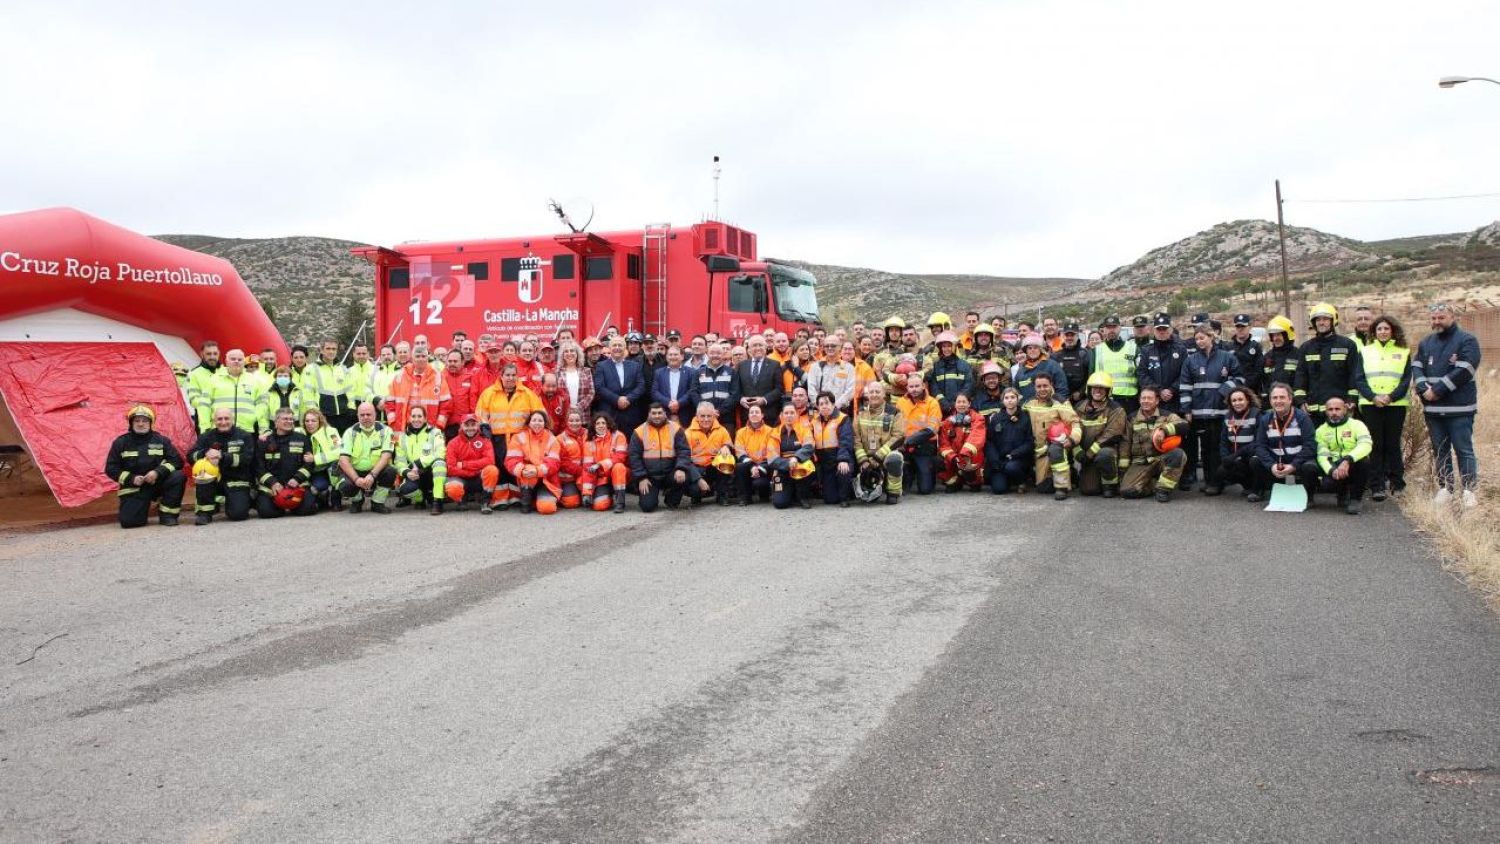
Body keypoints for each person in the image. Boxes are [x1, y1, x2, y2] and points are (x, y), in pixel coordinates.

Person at [1413, 302, 1482, 508]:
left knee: (1463, 449)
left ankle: (1469, 490)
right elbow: (1416, 366)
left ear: (1453, 317)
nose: (1436, 322)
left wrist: (1437, 390)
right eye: (1433, 318)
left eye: (1441, 317)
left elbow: (1465, 369)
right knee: (1440, 450)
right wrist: (1423, 388)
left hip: (1459, 409)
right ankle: (1446, 488)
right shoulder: (1426, 343)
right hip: (1433, 409)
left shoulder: (1467, 340)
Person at [1179, 324, 1242, 496]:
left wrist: (1224, 390)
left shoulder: (1226, 357)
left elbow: (1239, 378)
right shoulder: (1190, 360)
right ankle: (1209, 481)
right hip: (1200, 414)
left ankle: (1217, 482)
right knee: (1206, 449)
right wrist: (1187, 411)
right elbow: (1185, 387)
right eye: (1196, 338)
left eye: (1202, 338)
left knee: (1218, 448)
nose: (1199, 341)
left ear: (1211, 337)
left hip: (1220, 411)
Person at [1356, 315, 1412, 501]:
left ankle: (1397, 483)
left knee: (1393, 444)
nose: (1383, 332)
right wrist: (1373, 397)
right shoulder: (1365, 351)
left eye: (1386, 328)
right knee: (1376, 445)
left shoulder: (1403, 351)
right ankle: (1377, 486)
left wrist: (1390, 397)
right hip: (1371, 405)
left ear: (1393, 330)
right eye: (1379, 329)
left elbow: (1405, 380)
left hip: (1396, 404)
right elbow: (1359, 379)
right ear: (1374, 332)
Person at [474, 362, 543, 509]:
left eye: (513, 375)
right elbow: (480, 413)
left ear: (517, 377)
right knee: (500, 467)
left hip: (519, 438)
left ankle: (516, 497)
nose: (510, 378)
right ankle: (500, 499)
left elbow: (539, 412)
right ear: (501, 376)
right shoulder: (489, 393)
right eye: (507, 375)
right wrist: (484, 427)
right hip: (496, 437)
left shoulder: (527, 394)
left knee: (516, 467)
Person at [104, 403, 185, 528]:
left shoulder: (161, 440)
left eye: (144, 421)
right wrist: (132, 479)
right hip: (134, 487)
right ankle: (140, 509)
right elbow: (111, 468)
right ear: (131, 423)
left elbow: (177, 461)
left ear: (151, 423)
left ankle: (167, 515)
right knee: (130, 523)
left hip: (157, 483)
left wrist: (158, 472)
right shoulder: (121, 443)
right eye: (137, 421)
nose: (141, 424)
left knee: (178, 476)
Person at [1136, 313, 1191, 487]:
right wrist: (1159, 392)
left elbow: (1186, 373)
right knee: (1156, 436)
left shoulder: (1180, 349)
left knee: (1179, 436)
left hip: (1174, 400)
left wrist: (1172, 390)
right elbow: (1142, 374)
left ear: (1170, 329)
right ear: (1154, 330)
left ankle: (1184, 475)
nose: (1161, 332)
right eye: (1158, 329)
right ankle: (1158, 471)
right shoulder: (1147, 350)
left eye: (1164, 329)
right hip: (1155, 401)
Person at [1294, 302, 1362, 427]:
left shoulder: (1347, 345)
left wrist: (1352, 399)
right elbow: (1300, 376)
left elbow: (1354, 374)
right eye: (1318, 319)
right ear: (1313, 323)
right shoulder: (1306, 348)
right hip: (1313, 413)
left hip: (1339, 410)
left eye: (1325, 319)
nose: (1321, 322)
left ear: (1333, 321)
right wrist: (1300, 401)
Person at [189, 407, 258, 525]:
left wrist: (222, 457)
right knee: (203, 475)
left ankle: (247, 500)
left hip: (237, 480)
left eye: (226, 418)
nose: (223, 422)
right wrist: (205, 454)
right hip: (212, 480)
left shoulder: (244, 436)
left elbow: (247, 459)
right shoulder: (206, 436)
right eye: (219, 419)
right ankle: (205, 513)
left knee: (238, 514)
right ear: (214, 421)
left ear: (233, 419)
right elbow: (190, 456)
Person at [1251, 383, 1316, 505]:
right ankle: (1267, 489)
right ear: (1270, 400)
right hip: (1277, 462)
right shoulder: (1265, 419)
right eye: (1274, 398)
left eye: (1282, 397)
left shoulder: (1302, 418)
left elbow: (1310, 446)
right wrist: (1272, 465)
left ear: (1290, 399)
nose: (1278, 401)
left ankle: (1308, 495)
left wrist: (1293, 465)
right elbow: (1259, 446)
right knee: (1255, 461)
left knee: (1310, 467)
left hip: (1298, 461)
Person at [1119, 385, 1186, 503]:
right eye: (1143, 398)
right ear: (1139, 400)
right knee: (1127, 491)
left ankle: (1163, 490)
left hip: (1161, 460)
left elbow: (1184, 425)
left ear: (1157, 401)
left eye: (1149, 398)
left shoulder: (1167, 415)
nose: (1145, 401)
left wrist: (1164, 430)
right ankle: (1153, 483)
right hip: (1140, 463)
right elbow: (1126, 443)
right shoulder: (1131, 418)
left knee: (1178, 454)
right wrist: (1123, 469)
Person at [1308, 396, 1372, 514]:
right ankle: (1341, 493)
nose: (1334, 412)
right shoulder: (1320, 431)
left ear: (1345, 409)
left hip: (1352, 462)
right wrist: (1331, 470)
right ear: (1326, 411)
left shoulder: (1357, 425)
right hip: (1334, 465)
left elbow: (1366, 445)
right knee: (1327, 485)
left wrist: (1348, 460)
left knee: (1365, 461)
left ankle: (1355, 499)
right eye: (1330, 409)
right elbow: (1322, 455)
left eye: (1337, 409)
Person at [1022, 372, 1080, 500]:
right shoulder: (1029, 403)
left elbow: (1075, 422)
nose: (1042, 389)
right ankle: (1068, 475)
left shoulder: (1060, 402)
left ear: (1051, 385)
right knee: (1043, 488)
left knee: (1056, 450)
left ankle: (1062, 487)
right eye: (1039, 386)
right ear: (1034, 387)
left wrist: (1072, 439)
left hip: (1057, 445)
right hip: (1038, 450)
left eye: (1045, 386)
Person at [629, 402, 692, 512]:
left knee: (685, 476)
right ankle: (651, 497)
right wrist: (641, 477)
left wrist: (681, 468)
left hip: (670, 473)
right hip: (649, 477)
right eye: (653, 413)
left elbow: (684, 451)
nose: (657, 416)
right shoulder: (639, 431)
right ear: (648, 414)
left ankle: (671, 498)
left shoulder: (676, 429)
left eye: (659, 413)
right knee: (647, 507)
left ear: (665, 413)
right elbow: (634, 456)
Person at [254, 406, 316, 518]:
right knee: (267, 512)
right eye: (285, 419)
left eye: (291, 419)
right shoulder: (264, 441)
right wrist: (272, 483)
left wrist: (297, 479)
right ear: (276, 421)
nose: (289, 422)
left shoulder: (302, 439)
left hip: (297, 485)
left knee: (307, 510)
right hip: (272, 487)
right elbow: (258, 467)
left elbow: (309, 464)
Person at [337, 401, 397, 514]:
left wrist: (372, 474)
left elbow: (386, 456)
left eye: (368, 414)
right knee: (345, 486)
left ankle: (377, 502)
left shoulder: (386, 431)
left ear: (375, 415)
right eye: (362, 415)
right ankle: (357, 501)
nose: (365, 417)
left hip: (375, 473)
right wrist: (356, 479)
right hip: (356, 473)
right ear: (358, 416)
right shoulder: (349, 433)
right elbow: (343, 460)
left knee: (391, 471)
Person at [1073, 372, 1127, 497]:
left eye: (1102, 388)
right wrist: (1077, 450)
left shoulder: (1116, 409)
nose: (1098, 390)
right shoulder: (1079, 407)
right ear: (1089, 389)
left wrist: (1090, 453)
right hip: (1086, 456)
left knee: (1105, 454)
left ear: (1108, 391)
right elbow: (1072, 429)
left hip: (1106, 451)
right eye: (1095, 387)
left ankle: (1110, 484)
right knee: (1089, 490)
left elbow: (1112, 434)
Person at [853, 382, 905, 504]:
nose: (874, 395)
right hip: (867, 457)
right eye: (871, 392)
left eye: (877, 392)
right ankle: (873, 487)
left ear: (884, 394)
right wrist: (863, 461)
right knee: (869, 497)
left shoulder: (894, 413)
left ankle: (893, 493)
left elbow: (899, 437)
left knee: (895, 459)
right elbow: (856, 439)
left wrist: (878, 457)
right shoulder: (860, 413)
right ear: (867, 395)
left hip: (886, 454)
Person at [391, 406, 447, 514]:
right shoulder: (402, 437)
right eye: (413, 416)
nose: (416, 419)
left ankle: (437, 501)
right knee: (404, 490)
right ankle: (420, 499)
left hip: (430, 473)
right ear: (409, 418)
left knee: (440, 463)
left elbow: (440, 452)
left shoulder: (435, 432)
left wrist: (419, 463)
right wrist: (407, 472)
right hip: (414, 473)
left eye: (420, 416)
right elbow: (399, 461)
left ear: (425, 418)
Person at [506, 410, 562, 514]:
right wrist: (522, 471)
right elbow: (511, 460)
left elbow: (554, 463)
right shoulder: (518, 437)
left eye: (540, 421)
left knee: (547, 508)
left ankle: (538, 499)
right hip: (526, 479)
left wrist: (537, 471)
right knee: (528, 469)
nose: (537, 423)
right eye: (534, 420)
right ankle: (526, 501)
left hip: (547, 481)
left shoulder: (552, 440)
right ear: (529, 422)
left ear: (545, 423)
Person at [896, 373, 942, 495]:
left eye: (917, 386)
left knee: (925, 489)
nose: (914, 389)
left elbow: (932, 429)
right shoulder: (901, 402)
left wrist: (910, 440)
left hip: (925, 446)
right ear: (907, 388)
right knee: (900, 487)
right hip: (904, 447)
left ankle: (930, 468)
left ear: (923, 386)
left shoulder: (932, 403)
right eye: (911, 387)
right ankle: (907, 475)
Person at [386, 348, 450, 433]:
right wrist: (394, 424)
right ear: (412, 358)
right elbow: (389, 402)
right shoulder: (400, 376)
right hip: (404, 428)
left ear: (428, 358)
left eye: (423, 356)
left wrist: (439, 426)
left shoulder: (438, 377)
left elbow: (446, 405)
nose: (420, 359)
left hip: (430, 428)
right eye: (417, 356)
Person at [809, 391, 855, 506]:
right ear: (818, 407)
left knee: (844, 470)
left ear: (833, 404)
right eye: (821, 404)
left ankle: (846, 497)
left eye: (827, 403)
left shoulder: (842, 418)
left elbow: (845, 441)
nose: (824, 406)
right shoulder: (814, 421)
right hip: (825, 462)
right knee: (830, 499)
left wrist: (843, 459)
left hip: (839, 456)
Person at [207, 348, 268, 435]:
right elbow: (204, 405)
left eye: (240, 359)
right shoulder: (213, 379)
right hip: (219, 429)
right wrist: (205, 428)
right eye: (233, 359)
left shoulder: (254, 380)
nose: (236, 361)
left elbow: (262, 404)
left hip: (245, 430)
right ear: (226, 361)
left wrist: (253, 418)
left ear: (244, 362)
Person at [984, 387, 1032, 494]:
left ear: (1017, 399)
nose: (1010, 400)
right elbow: (989, 441)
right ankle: (1008, 481)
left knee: (1011, 467)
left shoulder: (1025, 418)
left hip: (1017, 459)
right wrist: (995, 459)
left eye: (1012, 397)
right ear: (1003, 401)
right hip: (1000, 460)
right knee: (998, 489)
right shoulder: (996, 418)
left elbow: (1029, 442)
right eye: (1006, 398)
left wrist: (1015, 454)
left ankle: (1021, 481)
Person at [594, 337, 648, 434]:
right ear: (610, 348)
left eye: (620, 345)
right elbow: (599, 387)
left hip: (630, 413)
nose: (617, 348)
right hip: (609, 413)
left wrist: (628, 399)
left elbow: (641, 386)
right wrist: (617, 399)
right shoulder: (601, 366)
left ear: (625, 348)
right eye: (614, 345)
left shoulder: (634, 365)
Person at [686, 401, 735, 505]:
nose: (706, 419)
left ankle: (722, 495)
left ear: (714, 416)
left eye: (709, 416)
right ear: (697, 416)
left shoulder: (722, 430)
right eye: (702, 416)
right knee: (694, 490)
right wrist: (698, 478)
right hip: (697, 470)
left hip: (714, 468)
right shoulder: (688, 433)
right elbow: (685, 459)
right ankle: (698, 495)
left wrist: (726, 447)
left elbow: (730, 445)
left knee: (727, 459)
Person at [1216, 386, 1261, 498]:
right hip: (1236, 458)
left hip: (1251, 456)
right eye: (1234, 400)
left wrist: (1236, 455)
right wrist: (1225, 458)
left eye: (1240, 399)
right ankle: (1247, 486)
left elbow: (1258, 442)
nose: (1237, 403)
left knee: (1255, 462)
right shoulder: (1228, 417)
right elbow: (1223, 441)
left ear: (1248, 400)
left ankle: (1259, 489)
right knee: (1222, 471)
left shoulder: (1257, 414)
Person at [937, 393, 986, 492]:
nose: (961, 404)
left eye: (964, 402)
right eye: (958, 402)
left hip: (969, 458)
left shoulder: (978, 419)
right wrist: (953, 457)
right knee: (941, 458)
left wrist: (965, 454)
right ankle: (955, 481)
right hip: (955, 460)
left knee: (977, 454)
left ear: (969, 404)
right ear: (955, 404)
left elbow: (977, 437)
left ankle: (974, 482)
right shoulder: (947, 422)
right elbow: (943, 443)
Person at [771, 403, 817, 509]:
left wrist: (796, 458)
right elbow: (772, 457)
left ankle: (803, 497)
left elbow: (809, 446)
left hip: (800, 465)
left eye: (792, 413)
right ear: (781, 415)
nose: (789, 415)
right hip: (782, 468)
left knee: (806, 465)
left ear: (796, 415)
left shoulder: (804, 429)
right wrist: (788, 464)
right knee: (780, 503)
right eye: (786, 413)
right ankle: (790, 493)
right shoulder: (774, 432)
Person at [1090, 316, 1139, 415]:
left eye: (1114, 327)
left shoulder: (1133, 348)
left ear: (1120, 328)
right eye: (1108, 327)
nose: (1111, 330)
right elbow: (1091, 377)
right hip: (1106, 399)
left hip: (1130, 400)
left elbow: (1141, 374)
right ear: (1103, 329)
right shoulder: (1096, 350)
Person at [733, 403, 779, 505]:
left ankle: (765, 494)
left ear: (762, 415)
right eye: (751, 412)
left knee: (759, 484)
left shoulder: (771, 431)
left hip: (765, 467)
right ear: (748, 415)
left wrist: (759, 468)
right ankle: (745, 498)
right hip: (748, 466)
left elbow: (772, 453)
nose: (754, 414)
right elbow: (740, 453)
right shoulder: (740, 432)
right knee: (739, 467)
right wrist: (752, 466)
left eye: (757, 412)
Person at [301, 408, 342, 511]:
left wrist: (315, 458)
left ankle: (335, 498)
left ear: (320, 421)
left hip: (329, 468)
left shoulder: (331, 432)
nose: (309, 424)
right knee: (317, 487)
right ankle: (322, 498)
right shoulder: (300, 433)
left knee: (336, 465)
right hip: (313, 470)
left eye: (313, 421)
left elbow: (339, 452)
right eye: (307, 421)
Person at [736, 334, 784, 423]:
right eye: (754, 345)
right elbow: (736, 388)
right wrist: (741, 399)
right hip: (747, 414)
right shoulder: (741, 365)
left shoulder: (775, 365)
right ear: (749, 349)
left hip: (768, 414)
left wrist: (764, 399)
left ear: (766, 348)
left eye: (760, 345)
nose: (758, 348)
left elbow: (779, 389)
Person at [309, 340, 354, 433]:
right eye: (328, 348)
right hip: (324, 417)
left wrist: (351, 409)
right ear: (321, 350)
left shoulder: (342, 368)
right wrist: (315, 414)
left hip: (344, 416)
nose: (331, 351)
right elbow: (308, 394)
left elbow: (350, 391)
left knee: (343, 445)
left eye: (334, 349)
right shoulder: (312, 369)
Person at [925, 331, 974, 416]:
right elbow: (934, 387)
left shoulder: (964, 365)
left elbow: (968, 385)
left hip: (961, 408)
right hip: (941, 409)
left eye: (949, 346)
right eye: (944, 346)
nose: (946, 349)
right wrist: (943, 402)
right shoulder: (936, 366)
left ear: (954, 347)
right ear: (940, 348)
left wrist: (958, 402)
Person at [1012, 333, 1067, 403]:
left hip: (1049, 410)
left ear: (1041, 350)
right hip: (1026, 410)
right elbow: (1016, 392)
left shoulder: (1052, 365)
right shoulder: (1021, 370)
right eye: (1029, 348)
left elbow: (1062, 390)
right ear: (1026, 351)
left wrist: (1055, 407)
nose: (1032, 350)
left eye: (1035, 347)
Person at [652, 345, 699, 426]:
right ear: (666, 357)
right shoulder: (659, 372)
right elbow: (654, 392)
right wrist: (668, 403)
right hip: (664, 413)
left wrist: (679, 403)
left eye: (675, 354)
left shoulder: (691, 372)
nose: (673, 357)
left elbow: (692, 390)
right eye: (670, 355)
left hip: (685, 414)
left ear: (682, 356)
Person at [806, 338, 856, 411]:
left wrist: (834, 407)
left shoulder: (848, 368)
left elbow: (850, 391)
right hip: (819, 410)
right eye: (827, 346)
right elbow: (811, 389)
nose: (830, 348)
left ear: (839, 347)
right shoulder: (815, 367)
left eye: (833, 346)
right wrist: (820, 406)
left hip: (840, 411)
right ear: (823, 347)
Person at [440, 350, 480, 440]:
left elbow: (473, 400)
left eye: (455, 361)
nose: (452, 364)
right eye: (450, 361)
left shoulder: (470, 377)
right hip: (446, 425)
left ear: (462, 362)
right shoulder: (440, 377)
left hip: (466, 426)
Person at [1261, 316, 1300, 406]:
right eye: (1273, 335)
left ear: (1287, 335)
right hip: (1271, 406)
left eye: (1278, 334)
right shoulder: (1267, 357)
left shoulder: (1298, 355)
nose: (1275, 338)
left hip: (1293, 406)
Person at [187, 340, 221, 432]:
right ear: (202, 354)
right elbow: (194, 401)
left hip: (225, 421)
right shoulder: (194, 373)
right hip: (204, 424)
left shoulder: (226, 371)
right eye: (208, 354)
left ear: (219, 354)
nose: (212, 357)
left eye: (215, 353)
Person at [555, 342, 594, 424]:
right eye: (566, 351)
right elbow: (555, 394)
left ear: (577, 354)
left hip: (583, 415)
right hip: (564, 415)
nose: (569, 353)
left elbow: (591, 392)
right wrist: (567, 407)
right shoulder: (557, 372)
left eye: (572, 351)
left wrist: (578, 407)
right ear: (562, 355)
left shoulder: (586, 371)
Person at [1227, 315, 1264, 398]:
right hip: (1232, 392)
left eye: (1243, 326)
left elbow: (1258, 371)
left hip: (1251, 392)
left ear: (1249, 327)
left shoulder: (1256, 347)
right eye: (1237, 326)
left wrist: (1245, 387)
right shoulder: (1228, 347)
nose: (1240, 329)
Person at [1054, 323, 1090, 404]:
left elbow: (1090, 376)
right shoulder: (1056, 355)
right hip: (1061, 398)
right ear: (1063, 336)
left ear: (1077, 336)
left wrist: (1081, 392)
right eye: (1067, 335)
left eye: (1072, 335)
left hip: (1080, 400)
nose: (1069, 338)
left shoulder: (1085, 354)